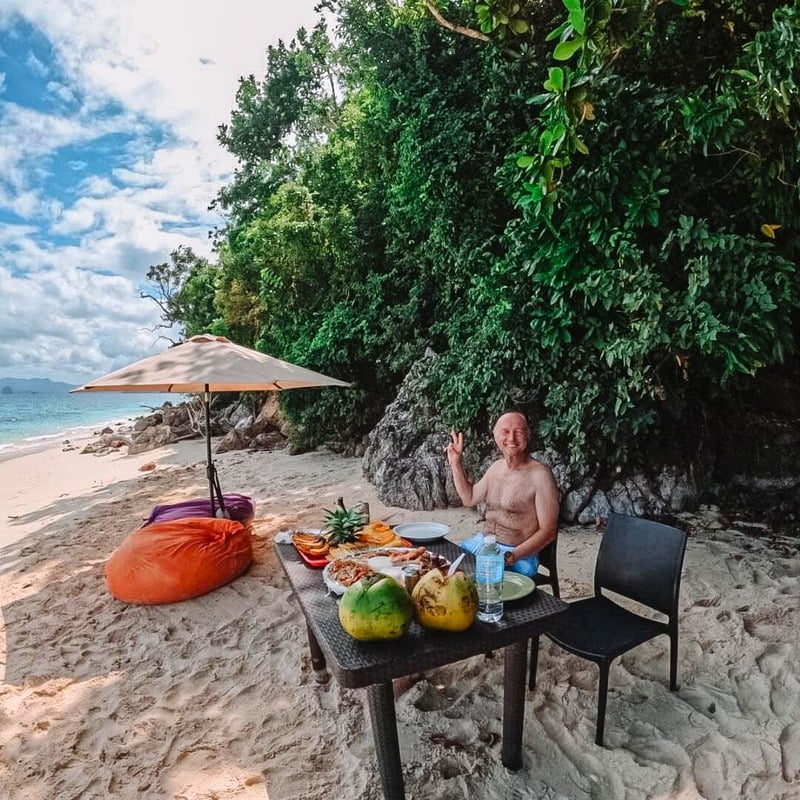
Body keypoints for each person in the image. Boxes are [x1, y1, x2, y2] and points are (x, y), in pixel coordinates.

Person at [445, 411, 560, 578]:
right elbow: (469, 498)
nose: (511, 439)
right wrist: (455, 463)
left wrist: (511, 557)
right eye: (505, 432)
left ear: (527, 436)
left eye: (519, 432)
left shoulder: (540, 476)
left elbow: (549, 531)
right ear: (495, 436)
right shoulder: (496, 468)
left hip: (518, 556)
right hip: (484, 546)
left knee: (470, 581)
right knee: (442, 565)